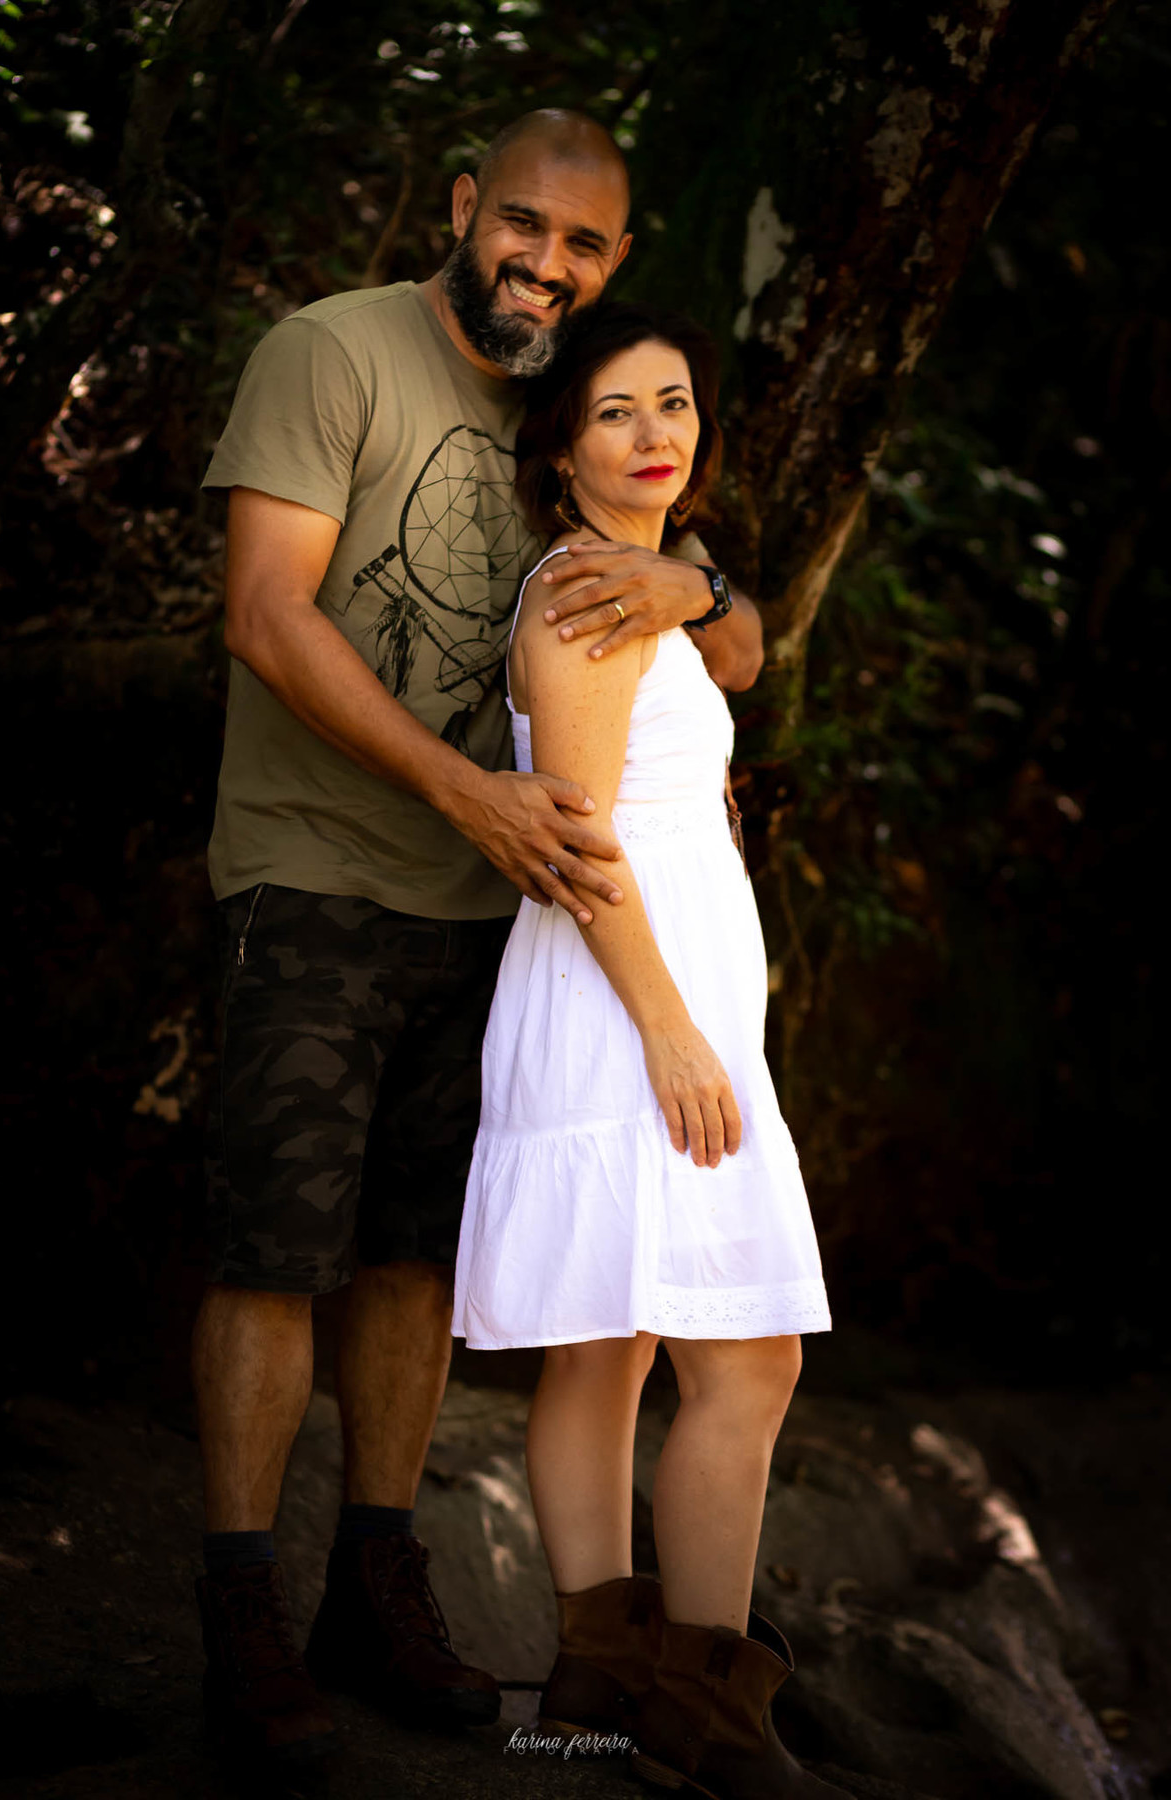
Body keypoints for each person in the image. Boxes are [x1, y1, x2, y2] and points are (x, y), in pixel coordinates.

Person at [192, 109, 765, 1780]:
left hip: (500, 926)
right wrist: (466, 793)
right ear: (464, 206)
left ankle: (372, 1587)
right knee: (272, 1249)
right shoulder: (334, 353)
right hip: (314, 873)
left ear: (615, 261)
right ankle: (240, 1613)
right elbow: (265, 610)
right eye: (522, 223)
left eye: (582, 244)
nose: (544, 263)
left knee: (412, 1264)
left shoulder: (576, 404)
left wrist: (700, 591)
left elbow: (722, 627)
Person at [452, 303, 841, 1800]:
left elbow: (739, 655)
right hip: (631, 1012)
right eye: (614, 411)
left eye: (672, 403)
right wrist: (675, 1033)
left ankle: (599, 1683)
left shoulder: (652, 580)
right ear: (561, 449)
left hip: (650, 1004)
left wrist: (696, 578)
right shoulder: (578, 598)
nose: (652, 433)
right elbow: (578, 842)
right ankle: (707, 1713)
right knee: (747, 1361)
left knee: (610, 1351)